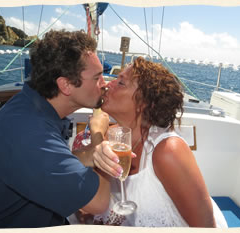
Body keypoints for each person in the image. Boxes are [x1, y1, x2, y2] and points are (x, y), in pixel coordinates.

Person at [0, 29, 111, 228]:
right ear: (66, 85)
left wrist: (86, 155)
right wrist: (99, 136)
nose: (105, 84)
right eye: (97, 78)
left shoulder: (33, 107)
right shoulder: (28, 132)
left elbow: (49, 162)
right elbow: (98, 203)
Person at [88, 57, 228, 227]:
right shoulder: (113, 136)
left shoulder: (168, 151)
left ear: (144, 103)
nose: (108, 85)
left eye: (121, 83)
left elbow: (205, 226)